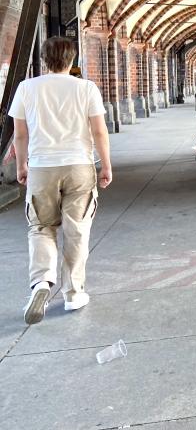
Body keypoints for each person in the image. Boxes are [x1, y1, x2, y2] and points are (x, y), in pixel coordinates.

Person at [10, 36, 112, 325]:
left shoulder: (26, 88)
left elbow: (20, 134)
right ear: (72, 59)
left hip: (42, 167)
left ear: (44, 59)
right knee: (76, 229)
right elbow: (100, 131)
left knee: (41, 226)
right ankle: (73, 292)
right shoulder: (86, 88)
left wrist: (22, 165)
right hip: (79, 165)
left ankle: (42, 282)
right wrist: (105, 165)